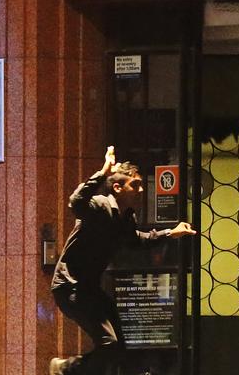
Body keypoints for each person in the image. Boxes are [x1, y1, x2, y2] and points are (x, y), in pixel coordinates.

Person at [49, 146, 196, 375]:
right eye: (134, 185)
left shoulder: (126, 218)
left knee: (118, 349)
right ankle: (66, 368)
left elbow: (138, 240)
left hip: (89, 288)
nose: (139, 190)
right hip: (70, 287)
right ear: (117, 187)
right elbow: (75, 202)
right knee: (109, 344)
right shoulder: (100, 205)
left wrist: (171, 233)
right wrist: (103, 171)